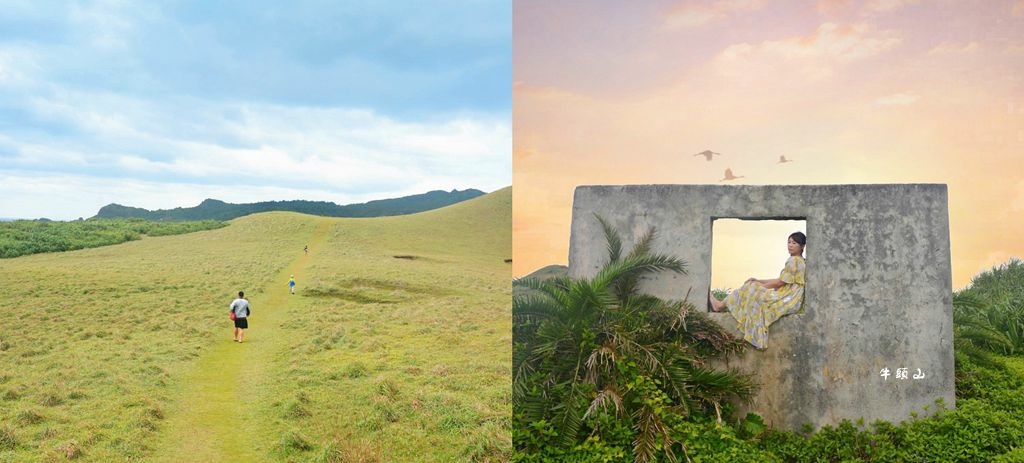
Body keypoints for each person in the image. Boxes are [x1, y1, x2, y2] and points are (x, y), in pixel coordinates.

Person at [709, 232, 806, 349]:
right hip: (791, 298)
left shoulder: (793, 261)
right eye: (789, 242)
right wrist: (759, 281)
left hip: (787, 298)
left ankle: (719, 306)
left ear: (801, 246)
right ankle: (720, 305)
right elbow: (781, 280)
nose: (790, 245)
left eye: (794, 243)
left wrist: (759, 285)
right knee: (752, 285)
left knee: (750, 288)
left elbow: (780, 283)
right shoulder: (800, 260)